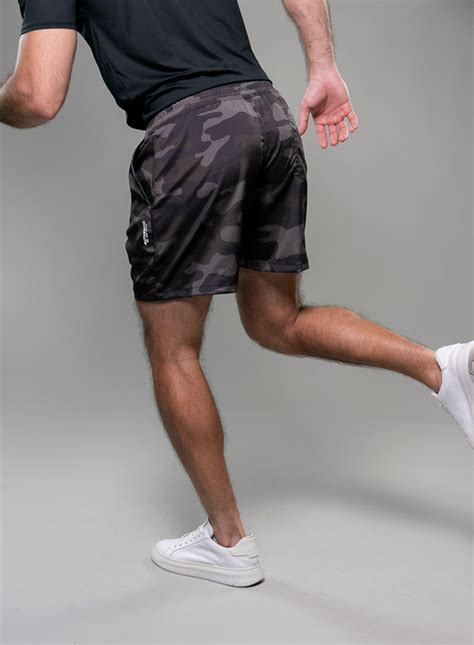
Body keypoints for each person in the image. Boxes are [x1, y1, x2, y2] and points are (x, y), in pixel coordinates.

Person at [2, 0, 472, 588]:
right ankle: (441, 367)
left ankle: (227, 543)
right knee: (277, 320)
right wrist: (323, 65)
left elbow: (38, 94)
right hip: (266, 114)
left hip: (190, 133)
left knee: (174, 351)